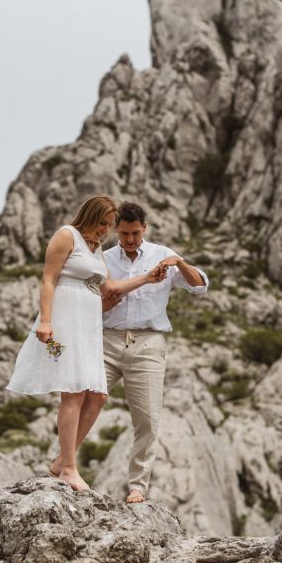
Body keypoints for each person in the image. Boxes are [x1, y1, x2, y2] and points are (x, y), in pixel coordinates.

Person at [6, 195, 167, 492]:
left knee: (97, 395)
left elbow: (112, 287)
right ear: (90, 217)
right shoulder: (66, 236)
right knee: (74, 391)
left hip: (88, 327)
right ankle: (68, 468)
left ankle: (60, 462)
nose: (106, 230)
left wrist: (148, 278)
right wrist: (45, 320)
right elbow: (48, 280)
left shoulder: (95, 250)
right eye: (103, 224)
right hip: (63, 325)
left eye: (109, 226)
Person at [101, 202, 209, 503]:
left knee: (147, 418)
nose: (130, 239)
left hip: (148, 344)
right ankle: (67, 466)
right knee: (85, 401)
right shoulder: (105, 258)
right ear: (116, 230)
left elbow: (200, 286)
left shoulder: (163, 255)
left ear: (144, 228)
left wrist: (179, 263)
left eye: (135, 233)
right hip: (107, 340)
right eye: (124, 233)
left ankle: (137, 486)